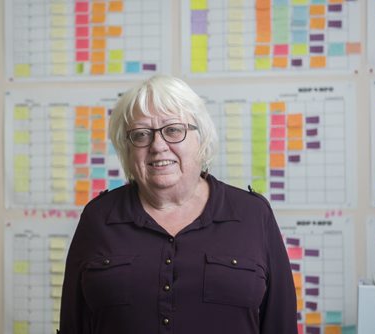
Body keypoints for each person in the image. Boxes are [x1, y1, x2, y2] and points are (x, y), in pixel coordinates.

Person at [58, 75, 298, 334]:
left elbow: (280, 323)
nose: (158, 146)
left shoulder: (253, 215)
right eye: (140, 134)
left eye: (173, 130)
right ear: (127, 150)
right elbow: (73, 323)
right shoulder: (98, 218)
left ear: (201, 138)